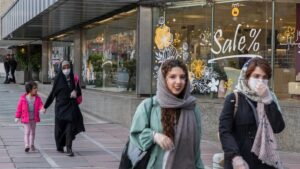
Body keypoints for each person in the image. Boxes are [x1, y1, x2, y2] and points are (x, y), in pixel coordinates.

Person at [130, 59, 204, 169]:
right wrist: (154, 136)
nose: (178, 81)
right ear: (164, 80)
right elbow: (136, 134)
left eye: (182, 77)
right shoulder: (149, 105)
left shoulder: (192, 107)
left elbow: (196, 148)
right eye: (172, 77)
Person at [219, 57, 285, 169]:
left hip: (265, 162)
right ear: (247, 77)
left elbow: (278, 127)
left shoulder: (269, 98)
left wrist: (267, 100)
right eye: (256, 76)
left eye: (264, 77)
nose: (260, 80)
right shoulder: (234, 98)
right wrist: (235, 157)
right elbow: (224, 131)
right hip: (241, 162)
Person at [44, 60, 85, 157]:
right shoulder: (58, 80)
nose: (66, 69)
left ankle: (69, 148)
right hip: (60, 108)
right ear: (60, 69)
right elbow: (52, 94)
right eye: (64, 68)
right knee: (59, 129)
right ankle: (60, 146)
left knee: (69, 128)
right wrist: (45, 106)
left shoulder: (73, 78)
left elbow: (78, 91)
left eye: (68, 67)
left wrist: (75, 92)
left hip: (71, 107)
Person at [15, 81, 45, 152]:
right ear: (29, 90)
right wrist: (17, 117)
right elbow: (19, 108)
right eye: (35, 88)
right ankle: (26, 145)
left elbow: (41, 105)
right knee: (27, 132)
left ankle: (32, 144)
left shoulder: (37, 98)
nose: (36, 89)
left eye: (36, 88)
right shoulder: (23, 99)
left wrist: (42, 109)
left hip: (34, 119)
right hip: (26, 119)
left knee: (33, 132)